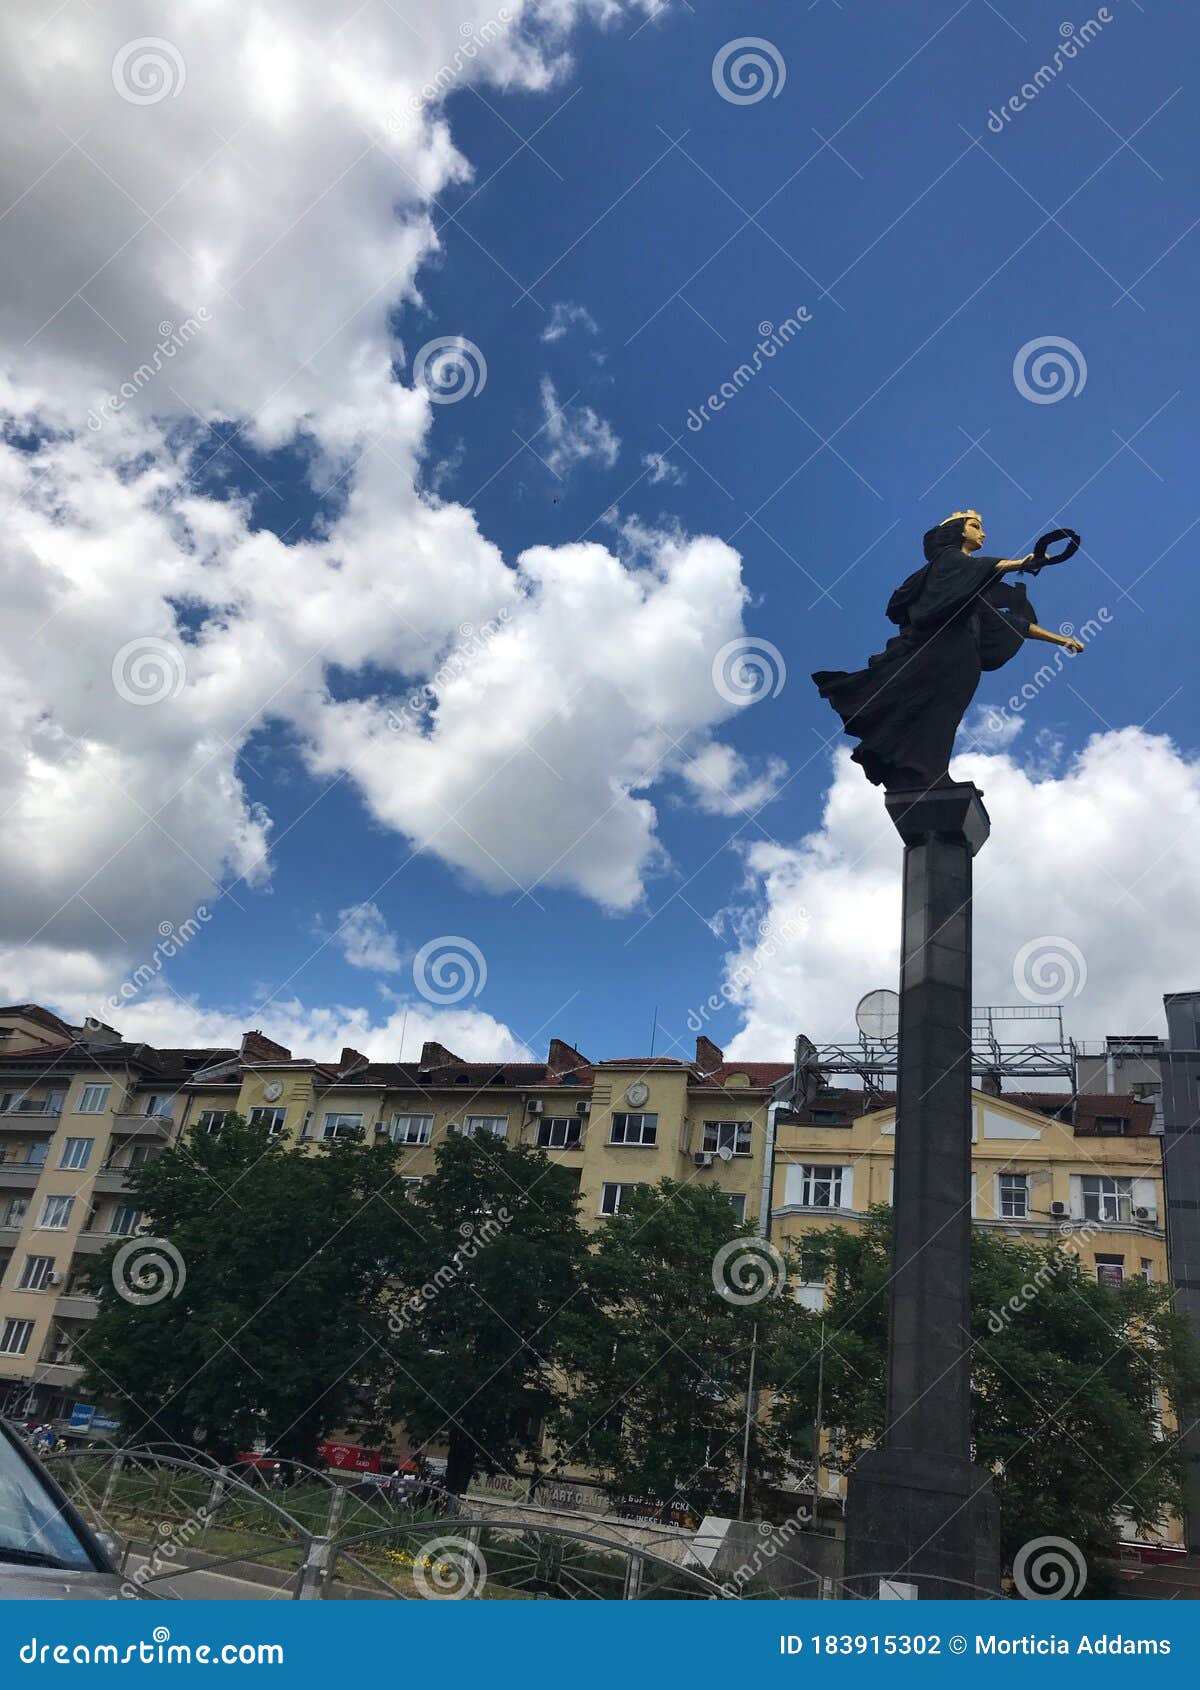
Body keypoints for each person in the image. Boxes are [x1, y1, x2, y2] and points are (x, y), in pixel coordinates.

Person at [812, 511, 1084, 793]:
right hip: (944, 650)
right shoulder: (951, 560)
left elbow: (1013, 624)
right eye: (975, 526)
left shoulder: (969, 588)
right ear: (957, 532)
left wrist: (1061, 640)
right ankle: (917, 768)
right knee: (933, 710)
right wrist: (1024, 562)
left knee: (946, 714)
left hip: (963, 657)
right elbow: (989, 568)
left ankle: (931, 772)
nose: (983, 533)